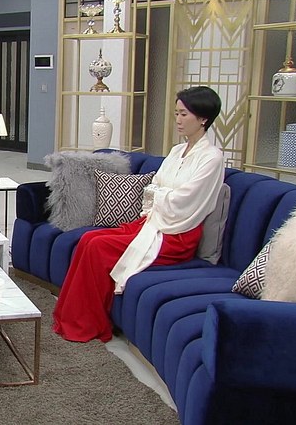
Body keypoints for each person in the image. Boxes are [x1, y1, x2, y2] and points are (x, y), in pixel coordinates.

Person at [52, 86, 225, 343]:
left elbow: (186, 200)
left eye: (184, 114)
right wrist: (162, 193)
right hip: (153, 221)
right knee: (88, 239)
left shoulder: (212, 158)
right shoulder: (177, 151)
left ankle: (87, 323)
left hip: (177, 234)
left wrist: (160, 193)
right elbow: (153, 187)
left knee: (99, 246)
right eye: (176, 113)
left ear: (202, 118)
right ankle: (72, 317)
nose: (178, 120)